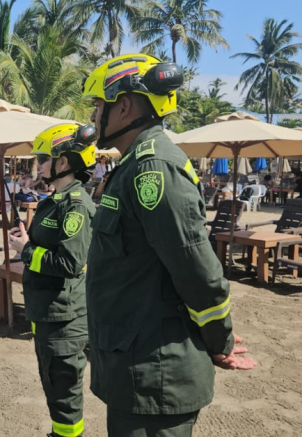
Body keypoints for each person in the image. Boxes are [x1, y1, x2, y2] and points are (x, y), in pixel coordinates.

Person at [81, 54, 256, 436]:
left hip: (153, 374)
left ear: (123, 106)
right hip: (134, 364)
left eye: (98, 106)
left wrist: (220, 340)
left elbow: (197, 271)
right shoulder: (133, 165)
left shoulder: (153, 168)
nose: (94, 117)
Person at [9, 123, 97, 437]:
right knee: (55, 387)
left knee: (64, 395)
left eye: (43, 159)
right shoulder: (54, 201)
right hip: (48, 312)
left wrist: (26, 249)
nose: (38, 165)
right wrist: (27, 239)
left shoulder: (75, 206)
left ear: (63, 162)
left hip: (64, 319)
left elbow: (70, 262)